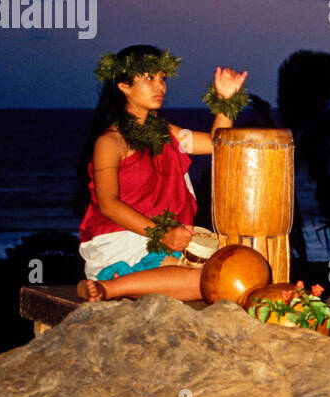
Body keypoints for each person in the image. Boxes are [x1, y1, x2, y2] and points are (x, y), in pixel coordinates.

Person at [72, 44, 249, 302]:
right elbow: (109, 205)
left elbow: (215, 144)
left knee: (232, 271)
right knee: (212, 281)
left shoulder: (167, 132)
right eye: (149, 78)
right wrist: (162, 234)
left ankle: (113, 284)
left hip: (169, 242)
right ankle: (108, 287)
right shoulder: (110, 142)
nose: (160, 86)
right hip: (125, 241)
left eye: (163, 79)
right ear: (123, 86)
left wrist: (226, 101)